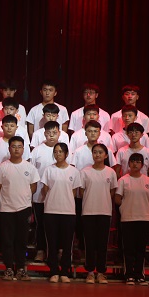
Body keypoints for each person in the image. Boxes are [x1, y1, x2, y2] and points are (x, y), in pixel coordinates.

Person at [0, 136, 40, 282]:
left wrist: (23, 198)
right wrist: (7, 199)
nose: (16, 149)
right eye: (14, 146)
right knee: (7, 240)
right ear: (9, 149)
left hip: (24, 208)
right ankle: (8, 268)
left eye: (19, 147)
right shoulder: (2, 167)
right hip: (6, 209)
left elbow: (33, 187)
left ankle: (20, 268)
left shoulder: (29, 167)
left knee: (22, 240)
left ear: (23, 149)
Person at [0, 114, 30, 260]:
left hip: (18, 190)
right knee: (0, 222)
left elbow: (27, 166)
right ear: (2, 127)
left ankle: (18, 254)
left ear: (17, 127)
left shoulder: (22, 144)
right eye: (6, 125)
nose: (9, 128)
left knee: (19, 225)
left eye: (12, 125)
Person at [114, 153, 149, 286]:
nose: (135, 164)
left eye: (138, 162)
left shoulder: (148, 181)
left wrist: (143, 206)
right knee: (128, 248)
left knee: (141, 248)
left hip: (144, 218)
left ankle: (140, 274)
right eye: (132, 161)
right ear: (128, 164)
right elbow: (117, 199)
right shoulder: (123, 180)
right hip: (128, 218)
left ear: (142, 165)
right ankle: (129, 275)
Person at [41, 143, 81, 283]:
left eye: (60, 152)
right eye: (55, 152)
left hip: (68, 211)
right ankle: (53, 271)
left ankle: (65, 271)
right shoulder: (49, 170)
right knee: (51, 243)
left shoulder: (74, 172)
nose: (57, 154)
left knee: (67, 243)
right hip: (51, 210)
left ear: (66, 154)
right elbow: (45, 189)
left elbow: (74, 192)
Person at [79, 143, 118, 284]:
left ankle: (101, 272)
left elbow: (112, 191)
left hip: (104, 212)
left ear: (106, 155)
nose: (97, 155)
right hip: (88, 212)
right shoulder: (85, 172)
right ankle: (90, 272)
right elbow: (82, 192)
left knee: (102, 244)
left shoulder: (111, 172)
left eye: (100, 152)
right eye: (95, 152)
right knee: (89, 243)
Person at [28, 121, 63, 263]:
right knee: (41, 224)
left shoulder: (63, 150)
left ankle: (58, 250)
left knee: (58, 225)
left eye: (54, 133)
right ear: (44, 134)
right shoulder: (37, 151)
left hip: (59, 195)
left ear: (59, 133)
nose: (51, 136)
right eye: (49, 133)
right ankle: (41, 250)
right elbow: (31, 172)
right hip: (39, 196)